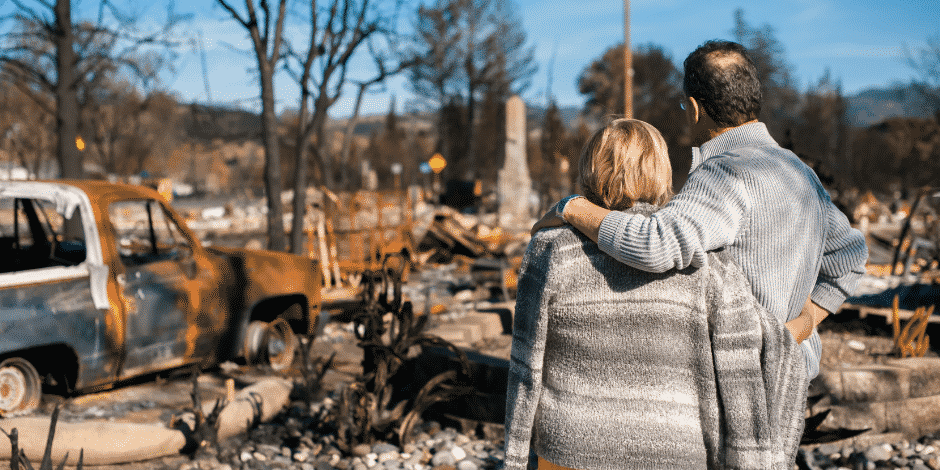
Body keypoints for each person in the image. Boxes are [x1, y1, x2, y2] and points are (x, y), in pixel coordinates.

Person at [533, 40, 868, 380]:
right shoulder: (798, 172)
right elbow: (850, 257)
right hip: (793, 375)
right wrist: (804, 321)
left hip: (745, 382)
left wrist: (571, 207)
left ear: (694, 108)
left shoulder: (726, 172)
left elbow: (654, 244)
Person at [505, 118, 807, 470]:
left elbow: (527, 366)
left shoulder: (549, 250)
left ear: (589, 169)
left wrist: (515, 458)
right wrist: (808, 319)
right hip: (676, 452)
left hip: (570, 450)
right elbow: (748, 357)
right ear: (661, 172)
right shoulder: (705, 263)